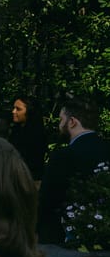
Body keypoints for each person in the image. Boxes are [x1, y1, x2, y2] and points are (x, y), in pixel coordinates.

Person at [40, 98, 110, 246]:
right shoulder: (106, 149)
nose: (59, 124)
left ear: (72, 121)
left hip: (64, 236)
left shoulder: (63, 156)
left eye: (61, 120)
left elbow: (48, 200)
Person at [10, 93, 49, 180]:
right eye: (14, 108)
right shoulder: (16, 130)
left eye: (18, 109)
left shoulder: (37, 135)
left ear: (29, 112)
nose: (13, 111)